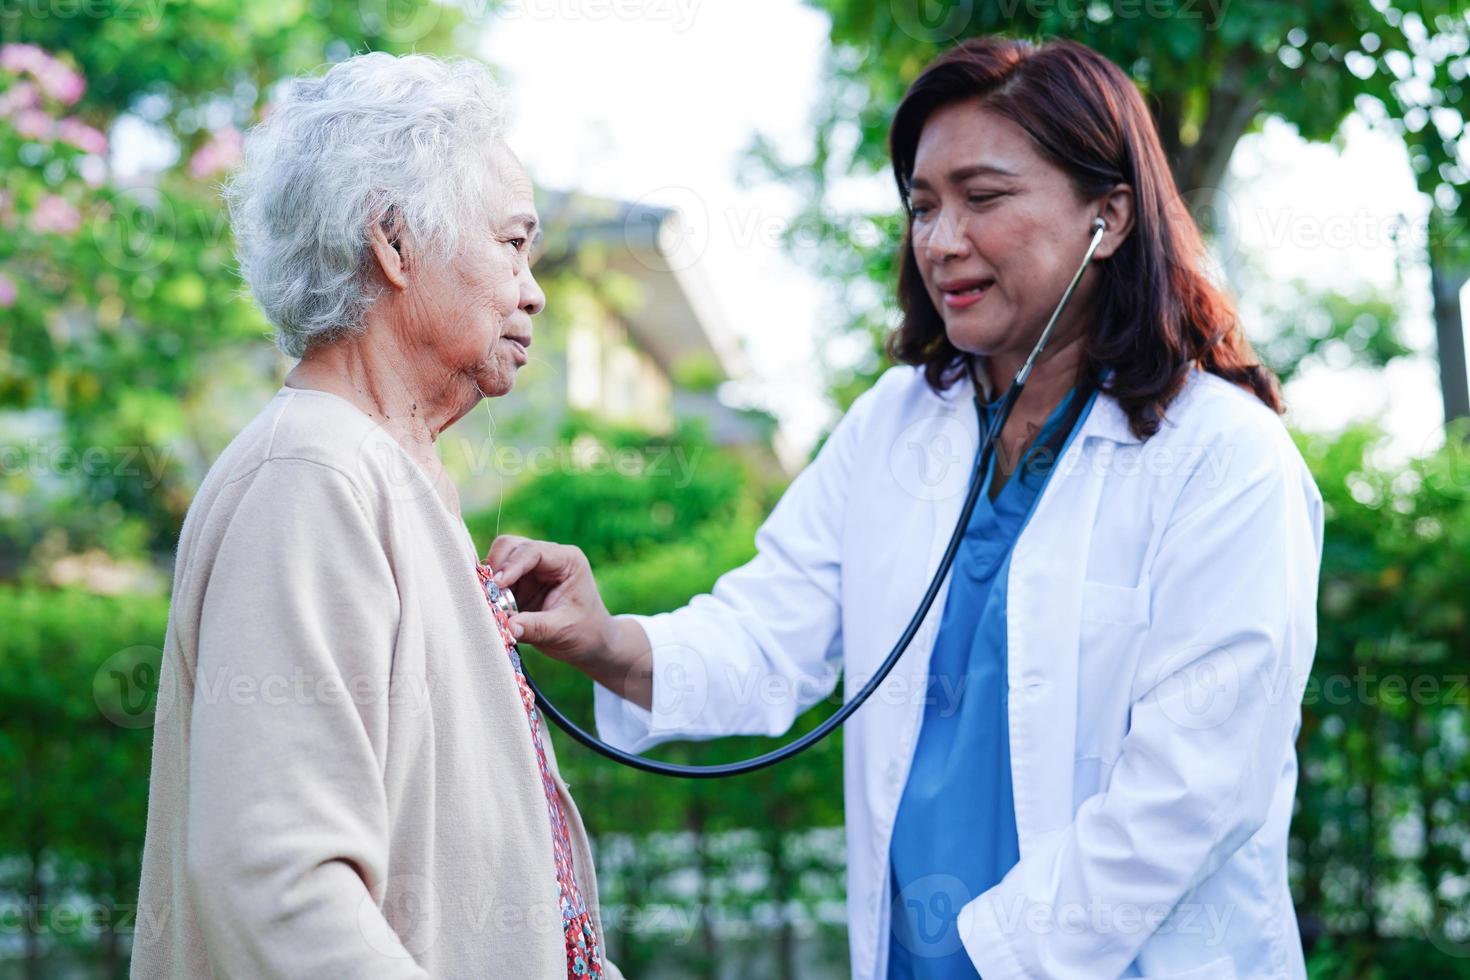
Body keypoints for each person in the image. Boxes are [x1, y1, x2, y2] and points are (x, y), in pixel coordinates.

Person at [487, 36, 1324, 980]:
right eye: (922, 205)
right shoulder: (896, 423)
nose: (939, 239)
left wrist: (987, 952)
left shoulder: (1225, 459)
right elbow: (772, 629)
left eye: (984, 196)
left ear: (1110, 215)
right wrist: (610, 640)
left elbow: (1199, 788)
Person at [131, 52, 621, 979]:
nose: (535, 289)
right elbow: (280, 887)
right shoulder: (310, 477)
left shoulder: (373, 473)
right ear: (394, 243)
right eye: (513, 243)